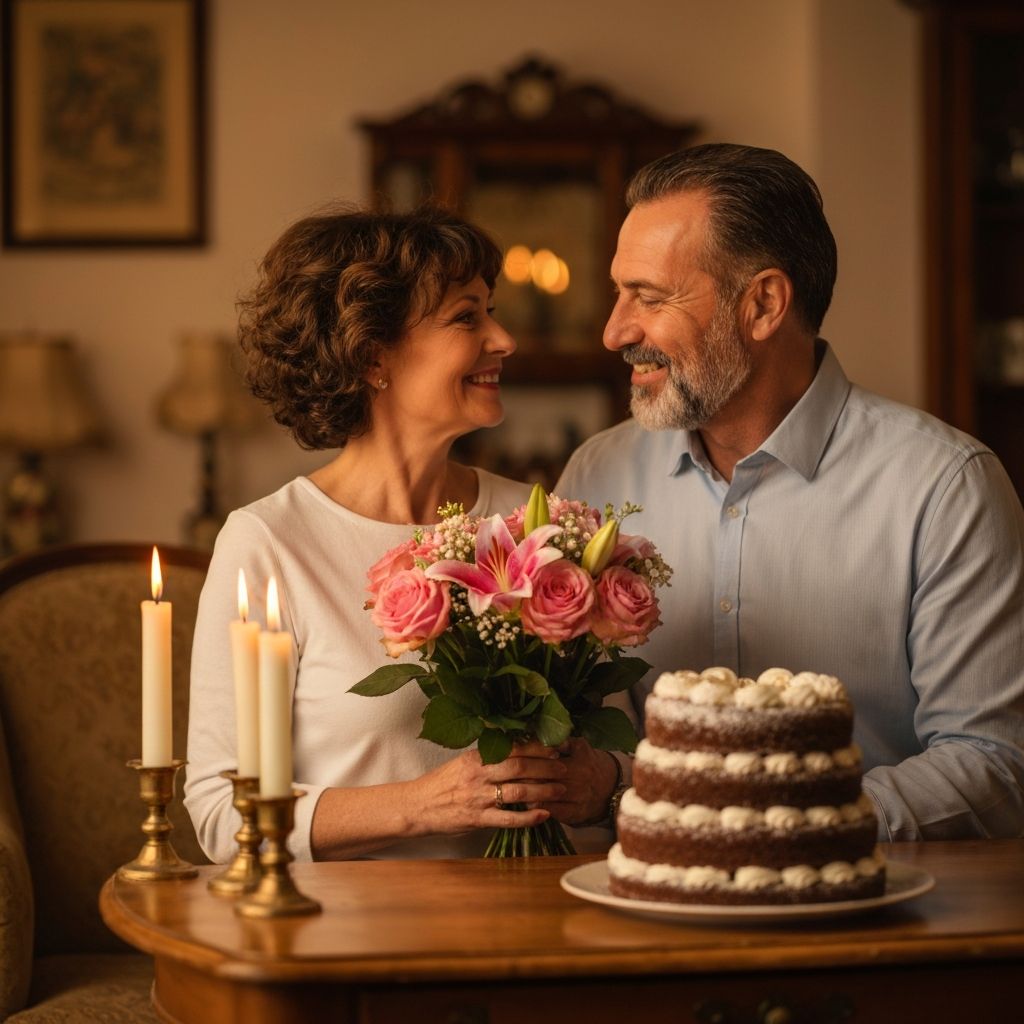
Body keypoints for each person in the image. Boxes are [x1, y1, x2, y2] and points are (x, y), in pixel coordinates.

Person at [557, 143, 1024, 841]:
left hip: (874, 929)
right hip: (642, 919)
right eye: (621, 293)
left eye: (650, 298)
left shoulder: (945, 488)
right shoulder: (598, 477)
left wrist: (772, 826)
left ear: (765, 303)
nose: (615, 330)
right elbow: (593, 738)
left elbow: (995, 766)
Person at [185, 205, 623, 862]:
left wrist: (601, 782)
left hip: (536, 911)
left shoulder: (535, 522)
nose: (504, 340)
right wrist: (421, 806)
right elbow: (223, 815)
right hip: (352, 934)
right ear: (371, 355)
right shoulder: (268, 543)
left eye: (492, 311)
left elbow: (623, 749)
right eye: (466, 316)